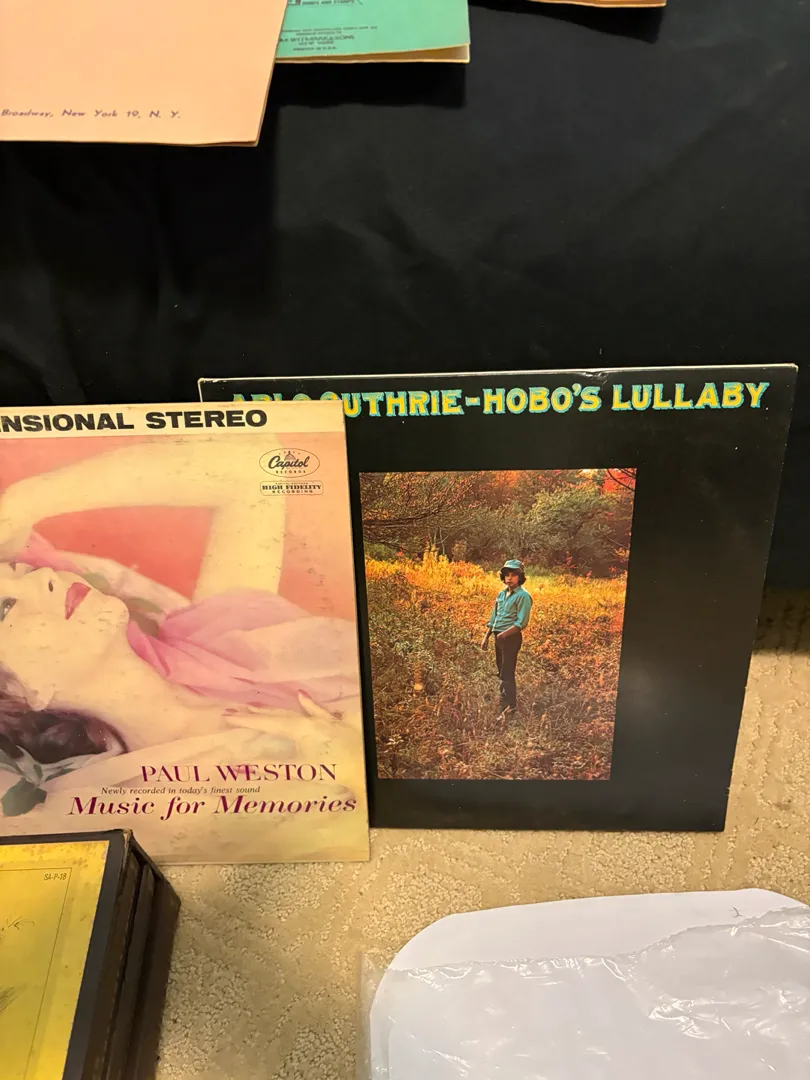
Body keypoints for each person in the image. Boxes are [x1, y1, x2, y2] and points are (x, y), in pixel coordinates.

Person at [0, 435, 364, 849]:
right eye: (6, 608)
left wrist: (28, 500)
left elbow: (254, 465)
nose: (46, 577)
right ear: (18, 694)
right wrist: (362, 776)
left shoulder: (214, 645)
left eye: (22, 570)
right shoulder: (137, 816)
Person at [481, 559, 532, 722]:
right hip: (498, 637)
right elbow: (494, 617)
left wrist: (504, 634)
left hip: (511, 638)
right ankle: (504, 702)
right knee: (501, 670)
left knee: (507, 673)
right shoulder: (501, 595)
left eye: (514, 575)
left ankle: (510, 707)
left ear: (520, 577)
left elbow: (521, 622)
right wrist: (486, 636)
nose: (509, 578)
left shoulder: (523, 596)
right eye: (507, 575)